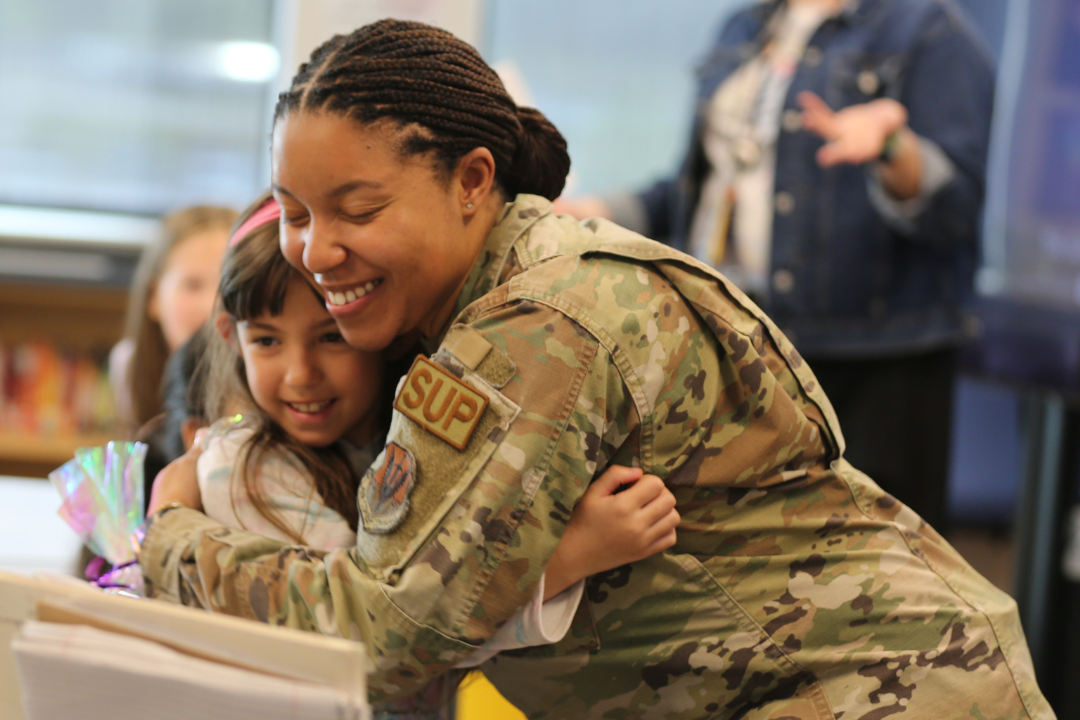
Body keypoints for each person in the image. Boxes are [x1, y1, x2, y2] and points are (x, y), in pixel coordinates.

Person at [140, 19, 1049, 720]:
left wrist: (176, 535)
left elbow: (386, 633)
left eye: (357, 208)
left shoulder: (533, 334)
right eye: (294, 212)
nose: (315, 251)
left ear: (471, 181)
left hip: (879, 691)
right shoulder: (473, 303)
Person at [194, 193, 680, 718]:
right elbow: (375, 630)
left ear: (376, 327)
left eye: (330, 338)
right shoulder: (241, 467)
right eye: (266, 341)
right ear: (231, 336)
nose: (299, 373)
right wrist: (565, 558)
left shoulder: (410, 436)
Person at [556, 0, 994, 533]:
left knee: (871, 573)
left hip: (868, 362)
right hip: (735, 341)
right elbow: (702, 190)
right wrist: (594, 212)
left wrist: (892, 146)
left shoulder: (930, 31)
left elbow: (957, 210)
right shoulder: (745, 27)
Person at [110, 205, 236, 433]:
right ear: (154, 297)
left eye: (227, 286)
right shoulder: (128, 363)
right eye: (192, 285)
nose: (212, 306)